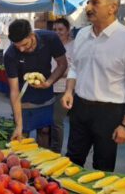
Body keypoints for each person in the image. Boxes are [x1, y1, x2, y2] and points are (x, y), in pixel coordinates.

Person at [61, 0, 125, 171]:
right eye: (88, 2)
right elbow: (75, 67)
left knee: (103, 166)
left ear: (112, 8)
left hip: (110, 113)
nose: (88, 7)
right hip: (80, 107)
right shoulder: (82, 35)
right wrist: (69, 90)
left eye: (95, 3)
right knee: (72, 160)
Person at [4, 19, 67, 147]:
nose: (21, 49)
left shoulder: (50, 38)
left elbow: (62, 64)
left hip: (46, 97)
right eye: (17, 46)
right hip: (24, 101)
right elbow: (14, 91)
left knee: (45, 132)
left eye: (25, 44)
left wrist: (49, 82)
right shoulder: (10, 55)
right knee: (21, 135)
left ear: (32, 35)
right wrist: (18, 125)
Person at [50, 18, 74, 153]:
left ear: (68, 30)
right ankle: (46, 149)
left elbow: (76, 69)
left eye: (60, 30)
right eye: (54, 30)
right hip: (48, 87)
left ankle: (55, 151)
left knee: (56, 121)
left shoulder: (74, 46)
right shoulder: (51, 44)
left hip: (64, 89)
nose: (57, 32)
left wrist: (58, 73)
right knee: (47, 121)